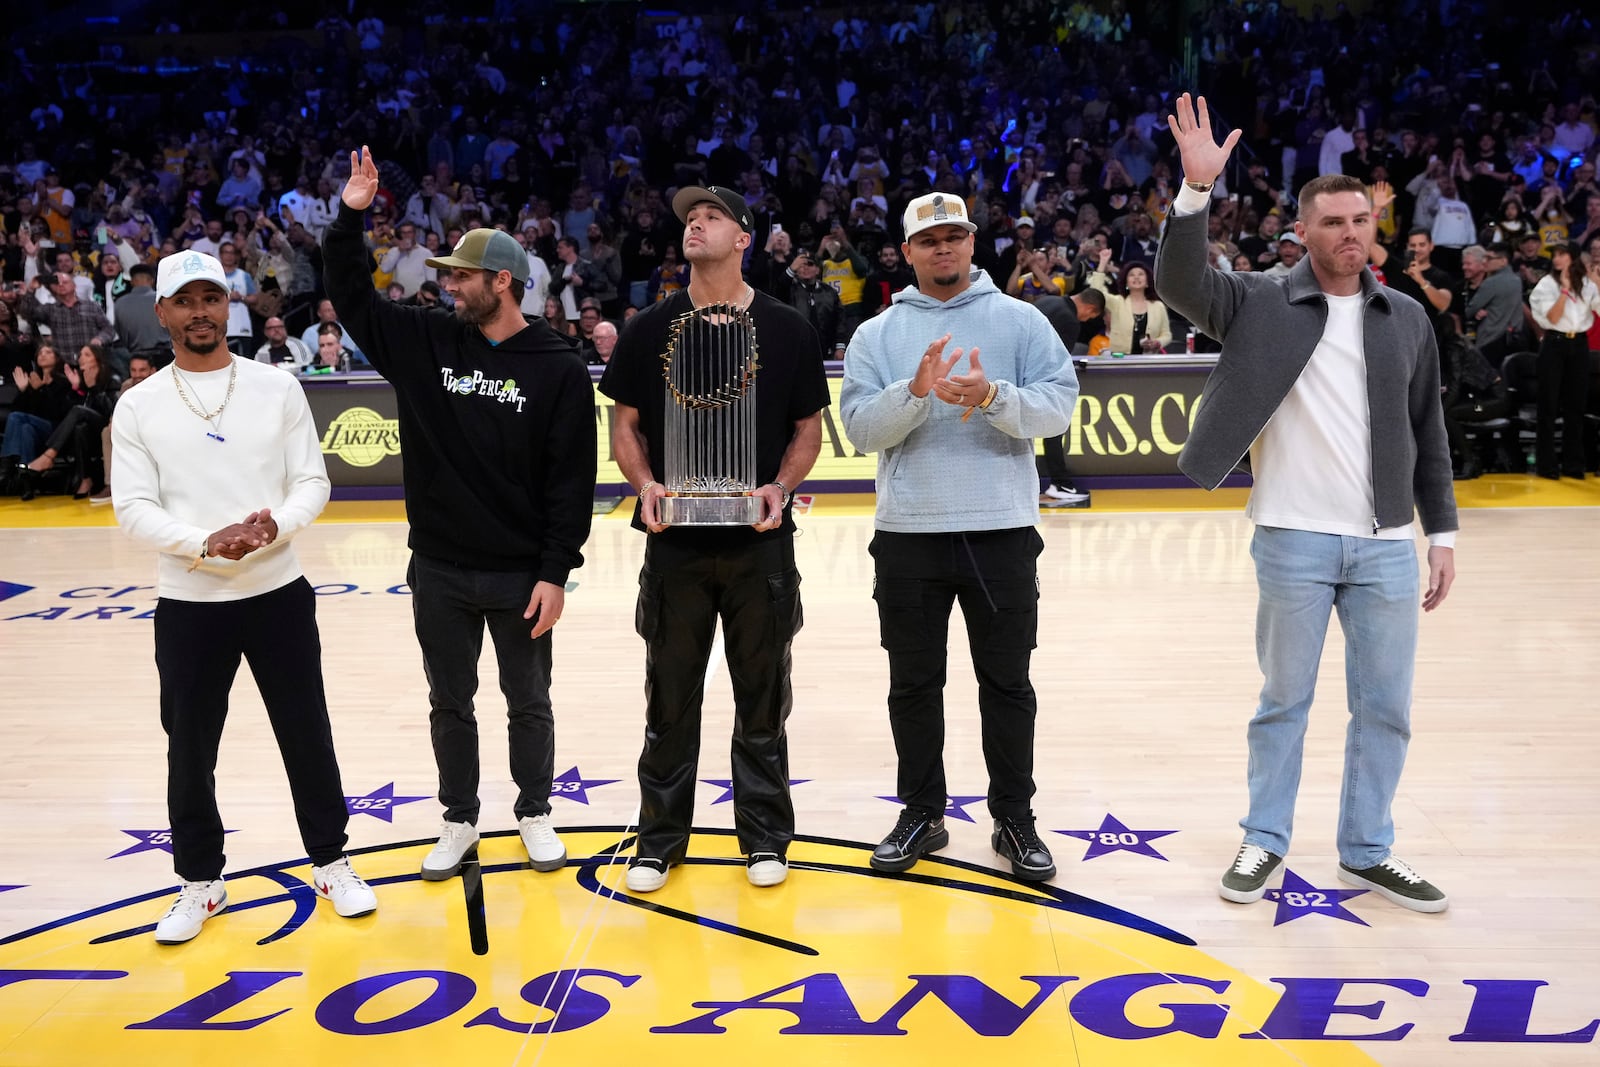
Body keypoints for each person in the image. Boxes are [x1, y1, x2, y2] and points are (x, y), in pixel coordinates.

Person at [1158, 94, 1457, 913]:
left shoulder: (1404, 320)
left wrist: (1445, 534)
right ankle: (1264, 840)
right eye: (1332, 222)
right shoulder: (1257, 300)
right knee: (1282, 701)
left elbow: (1428, 429)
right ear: (1303, 233)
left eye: (1361, 219)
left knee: (1386, 706)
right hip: (1292, 538)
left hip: (1390, 544)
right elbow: (1178, 281)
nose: (1350, 233)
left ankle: (1367, 850)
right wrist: (1194, 193)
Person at [325, 146, 597, 881]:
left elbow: (573, 486)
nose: (448, 285)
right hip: (439, 566)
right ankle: (457, 817)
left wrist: (555, 573)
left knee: (528, 699)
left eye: (462, 276)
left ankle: (535, 809)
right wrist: (351, 217)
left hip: (519, 575)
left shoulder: (559, 367)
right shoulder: (427, 340)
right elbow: (351, 296)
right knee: (450, 700)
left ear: (501, 282)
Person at [111, 248, 377, 944]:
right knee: (189, 748)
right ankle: (200, 880)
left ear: (228, 305)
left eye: (211, 296)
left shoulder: (276, 387)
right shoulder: (138, 404)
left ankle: (331, 860)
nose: (200, 310)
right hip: (190, 601)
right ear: (163, 311)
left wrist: (268, 529)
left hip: (277, 590)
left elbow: (312, 484)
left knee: (306, 731)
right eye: (186, 299)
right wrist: (208, 541)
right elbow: (132, 507)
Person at [839, 191, 1079, 883]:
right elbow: (858, 430)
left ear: (972, 243)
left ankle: (1014, 817)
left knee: (1007, 684)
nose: (943, 248)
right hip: (908, 534)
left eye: (954, 236)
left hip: (1001, 531)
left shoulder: (1021, 320)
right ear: (907, 251)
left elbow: (1058, 407)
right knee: (913, 684)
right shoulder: (876, 335)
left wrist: (991, 397)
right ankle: (922, 812)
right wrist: (914, 394)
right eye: (929, 239)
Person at [599, 184, 828, 894]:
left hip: (761, 542)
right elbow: (626, 426)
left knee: (762, 697)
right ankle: (660, 839)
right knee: (668, 698)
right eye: (688, 219)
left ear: (743, 238)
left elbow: (807, 432)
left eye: (712, 217)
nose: (694, 224)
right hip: (673, 543)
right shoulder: (648, 327)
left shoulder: (788, 328)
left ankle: (764, 837)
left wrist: (781, 489)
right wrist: (644, 486)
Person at [1527, 242, 1600, 479]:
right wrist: (1565, 292)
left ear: (1573, 257)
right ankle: (1547, 465)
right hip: (1554, 343)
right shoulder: (1546, 285)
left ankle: (1574, 464)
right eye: (1555, 255)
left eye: (1562, 254)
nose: (1557, 259)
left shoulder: (1587, 285)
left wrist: (1596, 282)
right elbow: (1552, 317)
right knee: (1548, 405)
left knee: (1576, 406)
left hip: (1579, 344)